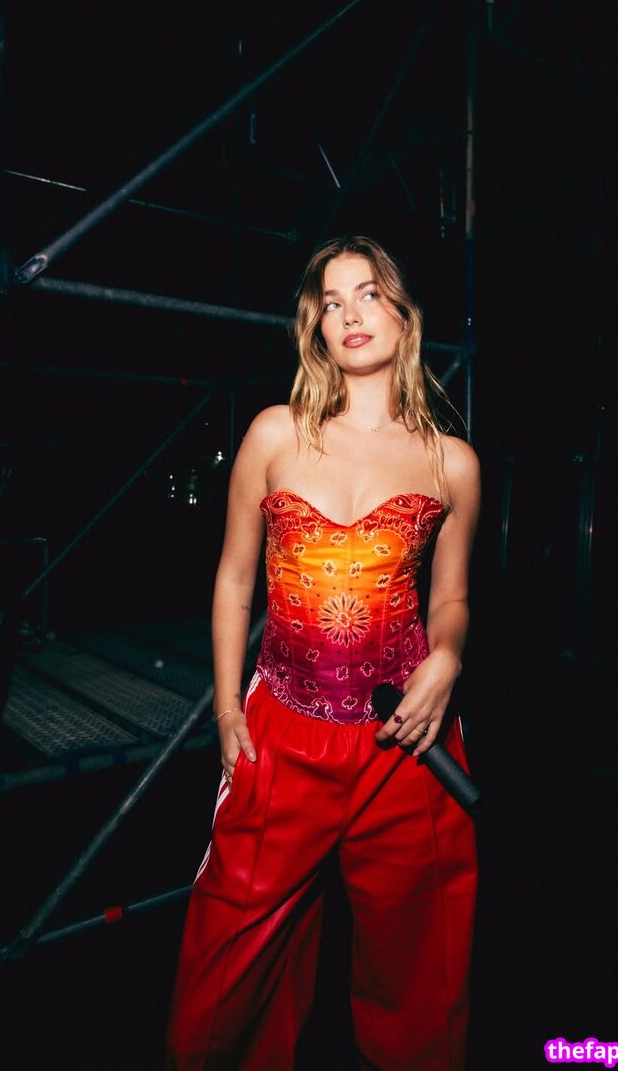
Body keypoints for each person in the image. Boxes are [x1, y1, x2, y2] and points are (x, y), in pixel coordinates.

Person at [166, 235, 480, 1070]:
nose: (351, 315)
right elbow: (234, 580)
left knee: (421, 965)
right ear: (315, 327)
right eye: (332, 303)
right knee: (226, 958)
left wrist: (447, 656)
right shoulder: (275, 434)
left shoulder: (452, 462)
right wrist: (226, 709)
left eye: (369, 294)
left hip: (406, 745)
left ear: (404, 314)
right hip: (283, 733)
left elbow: (451, 597)